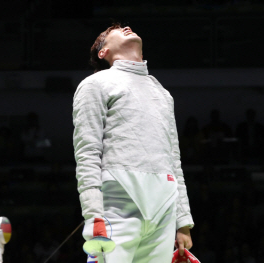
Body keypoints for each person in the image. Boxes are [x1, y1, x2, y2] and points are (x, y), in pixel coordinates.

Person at [72, 23, 194, 263]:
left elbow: (174, 159)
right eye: (114, 30)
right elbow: (87, 152)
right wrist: (93, 215)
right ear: (103, 52)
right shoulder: (95, 84)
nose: (127, 27)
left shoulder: (161, 92)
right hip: (119, 202)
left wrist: (183, 223)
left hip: (164, 206)